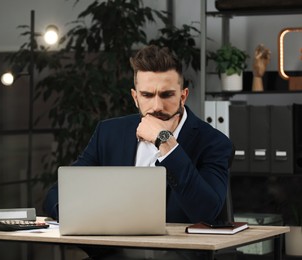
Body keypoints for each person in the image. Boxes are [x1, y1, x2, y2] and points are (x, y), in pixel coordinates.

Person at [43, 45, 233, 259]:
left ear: (183, 95)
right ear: (135, 97)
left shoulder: (214, 143)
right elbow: (58, 193)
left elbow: (206, 212)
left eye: (167, 94)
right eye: (147, 95)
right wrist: (77, 218)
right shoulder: (109, 133)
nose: (156, 105)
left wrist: (166, 142)